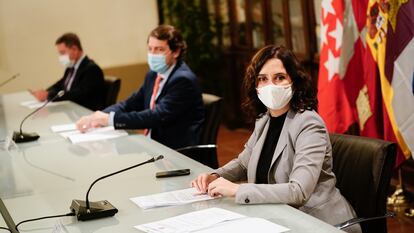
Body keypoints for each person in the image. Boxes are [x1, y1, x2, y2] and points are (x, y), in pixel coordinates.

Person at [191, 45, 361, 233]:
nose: (270, 85)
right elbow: (244, 163)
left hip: (316, 222)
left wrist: (238, 190)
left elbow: (298, 191)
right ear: (256, 87)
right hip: (276, 217)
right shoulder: (264, 120)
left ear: (294, 82)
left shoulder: (309, 124)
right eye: (262, 79)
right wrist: (216, 176)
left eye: (279, 78)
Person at [75, 25, 204, 149]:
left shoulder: (183, 80)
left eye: (159, 49)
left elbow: (155, 116)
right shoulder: (153, 74)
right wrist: (99, 115)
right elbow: (130, 103)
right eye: (150, 49)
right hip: (153, 145)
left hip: (176, 151)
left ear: (176, 52)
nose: (153, 54)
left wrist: (110, 120)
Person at [31, 33, 106, 111]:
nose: (60, 57)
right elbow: (60, 84)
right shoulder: (71, 67)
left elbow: (78, 94)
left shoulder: (91, 69)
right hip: (71, 110)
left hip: (85, 112)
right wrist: (46, 92)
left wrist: (49, 95)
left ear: (75, 49)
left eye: (62, 53)